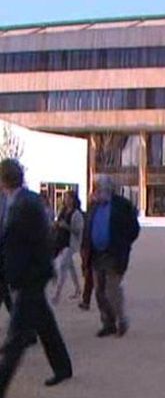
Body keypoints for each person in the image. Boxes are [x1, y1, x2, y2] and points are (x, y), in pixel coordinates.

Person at [0, 159, 73, 395]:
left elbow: (38, 242)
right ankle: (63, 367)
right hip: (30, 274)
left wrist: (38, 272)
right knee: (45, 324)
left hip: (30, 276)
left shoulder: (25, 204)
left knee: (16, 338)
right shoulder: (22, 200)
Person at [81, 174, 140, 338]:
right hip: (96, 254)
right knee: (99, 291)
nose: (96, 192)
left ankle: (122, 320)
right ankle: (108, 323)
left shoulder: (122, 205)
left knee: (112, 289)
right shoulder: (93, 206)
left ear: (107, 189)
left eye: (98, 188)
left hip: (114, 254)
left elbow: (134, 228)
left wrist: (124, 243)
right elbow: (87, 228)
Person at [52, 191, 84, 304]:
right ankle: (78, 289)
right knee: (70, 267)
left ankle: (57, 294)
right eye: (65, 198)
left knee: (62, 267)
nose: (66, 200)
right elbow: (57, 223)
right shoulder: (63, 211)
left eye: (68, 198)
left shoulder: (77, 214)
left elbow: (78, 230)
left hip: (70, 244)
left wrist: (67, 227)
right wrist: (56, 225)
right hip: (61, 242)